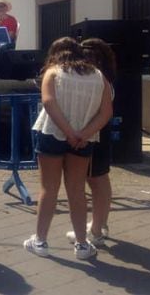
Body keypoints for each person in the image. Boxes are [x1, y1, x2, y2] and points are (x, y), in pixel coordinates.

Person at [25, 37, 112, 260]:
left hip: (53, 133)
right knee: (76, 191)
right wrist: (82, 133)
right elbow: (106, 112)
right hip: (84, 139)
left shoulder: (53, 72)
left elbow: (48, 102)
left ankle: (41, 240)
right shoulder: (98, 75)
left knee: (49, 189)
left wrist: (68, 131)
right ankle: (82, 245)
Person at [65, 38, 116, 248]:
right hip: (96, 134)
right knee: (98, 179)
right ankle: (99, 223)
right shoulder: (104, 78)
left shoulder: (98, 79)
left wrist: (83, 134)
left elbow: (100, 112)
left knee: (96, 181)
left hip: (93, 135)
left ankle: (96, 230)